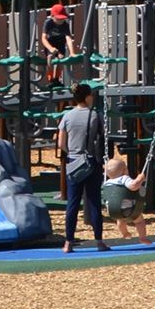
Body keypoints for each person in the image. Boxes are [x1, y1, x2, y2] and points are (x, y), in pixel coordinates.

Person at [56, 83, 108, 253]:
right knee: (94, 201)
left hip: (74, 162)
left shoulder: (67, 116)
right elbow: (102, 137)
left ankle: (68, 242)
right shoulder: (95, 115)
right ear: (87, 97)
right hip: (91, 161)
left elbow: (61, 143)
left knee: (72, 202)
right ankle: (99, 241)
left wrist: (71, 152)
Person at [101, 153, 152, 246]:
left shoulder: (106, 183)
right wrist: (139, 179)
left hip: (113, 211)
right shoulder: (124, 178)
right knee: (139, 221)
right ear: (125, 171)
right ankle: (143, 238)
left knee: (120, 221)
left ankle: (125, 233)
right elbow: (133, 186)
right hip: (129, 210)